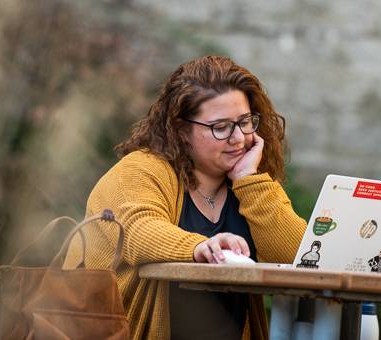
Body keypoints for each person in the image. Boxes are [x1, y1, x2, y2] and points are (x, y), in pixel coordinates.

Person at [64, 55, 307, 340]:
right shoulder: (139, 170)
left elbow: (299, 257)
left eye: (245, 122)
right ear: (182, 130)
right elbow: (138, 231)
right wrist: (202, 247)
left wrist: (248, 181)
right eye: (221, 127)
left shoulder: (250, 183)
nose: (239, 138)